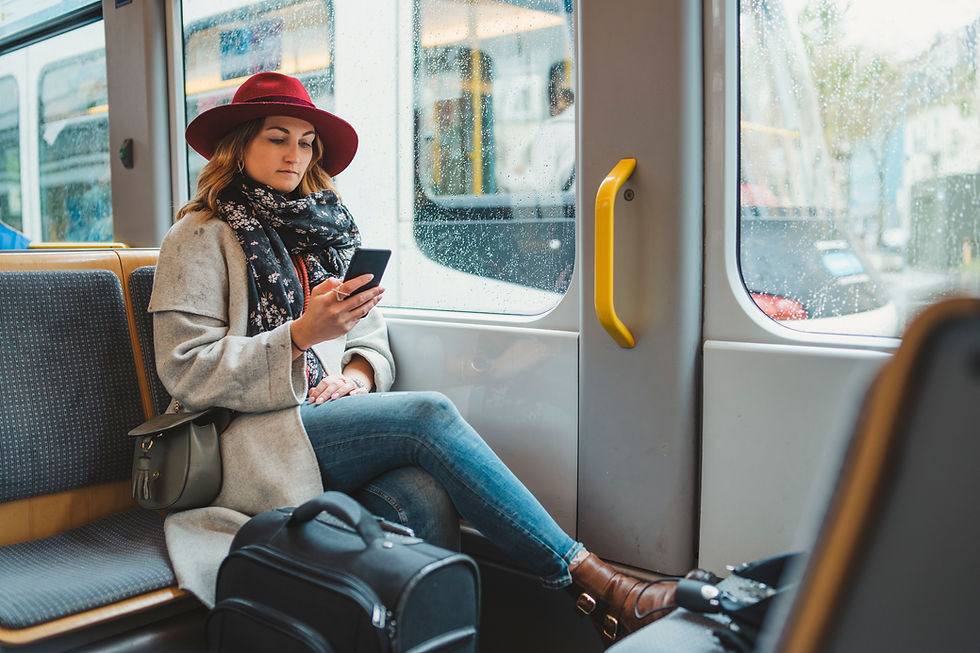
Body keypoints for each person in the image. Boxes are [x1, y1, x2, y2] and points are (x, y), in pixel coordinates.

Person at [151, 71, 703, 642]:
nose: (296, 153)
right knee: (428, 417)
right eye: (277, 137)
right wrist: (296, 339)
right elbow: (186, 368)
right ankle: (599, 589)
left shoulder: (317, 232)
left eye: (306, 140)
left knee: (422, 492)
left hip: (320, 417)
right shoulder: (198, 236)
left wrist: (356, 378)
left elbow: (369, 337)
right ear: (239, 144)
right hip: (251, 440)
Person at [499, 60, 575, 192]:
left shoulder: (552, 129)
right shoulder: (589, 127)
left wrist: (510, 175)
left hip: (570, 211)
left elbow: (543, 187)